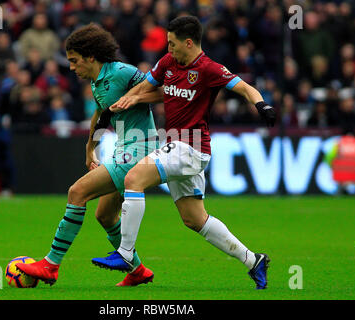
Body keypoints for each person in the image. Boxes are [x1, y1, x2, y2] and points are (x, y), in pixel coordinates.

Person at [92, 16, 276, 290]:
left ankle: (125, 253)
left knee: (134, 178)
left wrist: (262, 106)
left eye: (172, 43)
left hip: (191, 147)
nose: (169, 49)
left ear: (188, 43)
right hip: (176, 144)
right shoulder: (168, 62)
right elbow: (148, 85)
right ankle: (253, 260)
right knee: (194, 219)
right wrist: (133, 97)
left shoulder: (209, 69)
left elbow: (246, 88)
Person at [16, 23, 163, 287]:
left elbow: (165, 92)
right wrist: (90, 147)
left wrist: (136, 99)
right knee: (104, 215)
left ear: (90, 57)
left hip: (140, 149)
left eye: (74, 61)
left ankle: (50, 265)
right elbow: (100, 114)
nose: (72, 67)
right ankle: (138, 270)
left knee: (77, 193)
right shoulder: (98, 81)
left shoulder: (123, 72)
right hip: (123, 149)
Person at [325, 126, 355, 195]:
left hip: (341, 170)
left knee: (340, 183)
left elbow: (330, 156)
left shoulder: (339, 142)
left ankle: (339, 194)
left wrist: (331, 166)